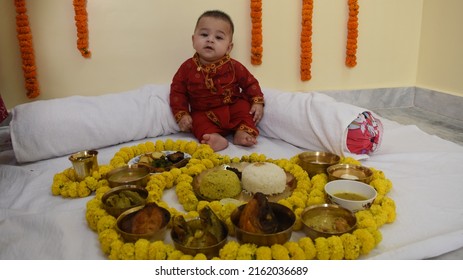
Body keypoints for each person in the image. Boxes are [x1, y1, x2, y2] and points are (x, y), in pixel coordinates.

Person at [169, 10, 264, 152]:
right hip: (203, 112)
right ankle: (214, 138)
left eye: (219, 37)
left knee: (244, 109)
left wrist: (257, 101)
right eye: (204, 34)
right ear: (194, 40)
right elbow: (177, 91)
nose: (210, 40)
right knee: (197, 123)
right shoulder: (187, 67)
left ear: (229, 47)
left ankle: (242, 133)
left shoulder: (234, 66)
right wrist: (182, 114)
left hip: (231, 106)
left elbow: (250, 82)